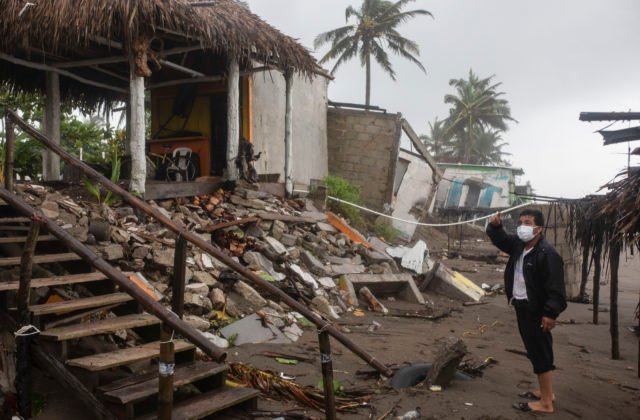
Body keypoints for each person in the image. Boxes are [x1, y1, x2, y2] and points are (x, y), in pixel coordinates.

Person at [486, 209, 567, 413]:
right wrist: (495, 226)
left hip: (537, 311)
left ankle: (546, 403)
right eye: (521, 222)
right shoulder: (519, 246)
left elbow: (556, 289)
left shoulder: (547, 255)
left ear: (538, 229)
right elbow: (501, 239)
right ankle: (546, 393)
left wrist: (550, 313)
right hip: (522, 306)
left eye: (528, 223)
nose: (522, 227)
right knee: (536, 351)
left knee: (540, 353)